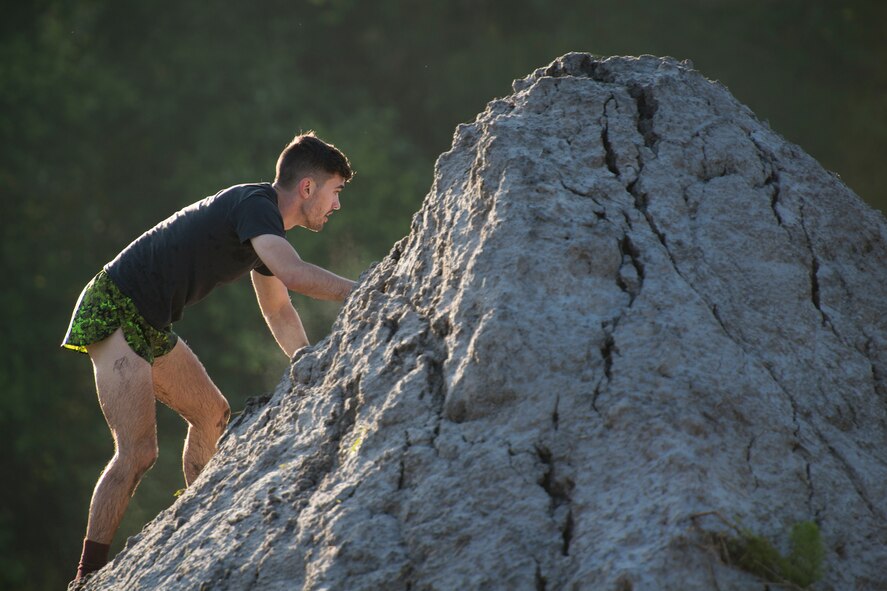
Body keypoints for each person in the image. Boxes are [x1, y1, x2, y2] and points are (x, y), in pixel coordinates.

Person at [61, 132, 354, 586]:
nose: (336, 205)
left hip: (149, 322)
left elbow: (278, 309)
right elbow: (294, 275)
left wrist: (307, 363)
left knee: (212, 414)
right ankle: (86, 576)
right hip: (116, 307)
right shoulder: (256, 205)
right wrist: (365, 290)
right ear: (308, 188)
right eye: (335, 191)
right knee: (138, 452)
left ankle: (195, 516)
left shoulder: (262, 232)